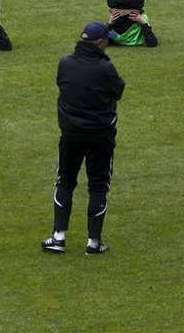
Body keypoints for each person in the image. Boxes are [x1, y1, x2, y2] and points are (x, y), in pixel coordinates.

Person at [41, 22, 126, 255]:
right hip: (101, 135)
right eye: (107, 40)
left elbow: (62, 85)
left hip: (70, 134)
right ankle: (93, 242)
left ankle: (58, 237)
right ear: (99, 43)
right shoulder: (105, 68)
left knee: (65, 181)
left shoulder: (65, 63)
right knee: (98, 185)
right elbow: (119, 90)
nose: (109, 43)